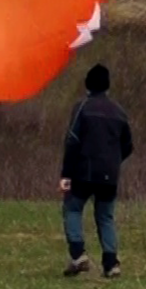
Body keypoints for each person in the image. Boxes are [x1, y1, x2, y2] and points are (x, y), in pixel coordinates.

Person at [59, 63, 133, 278]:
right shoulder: (119, 111)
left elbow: (72, 140)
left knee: (72, 208)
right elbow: (128, 144)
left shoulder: (82, 107)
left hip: (84, 170)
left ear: (87, 85)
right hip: (110, 174)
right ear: (108, 86)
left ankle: (77, 254)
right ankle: (111, 264)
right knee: (105, 217)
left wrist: (66, 173)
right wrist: (114, 161)